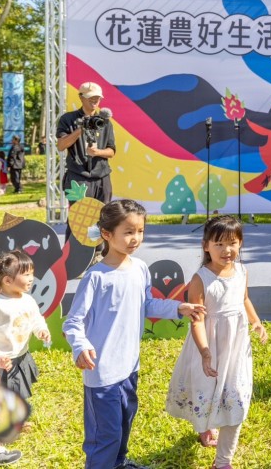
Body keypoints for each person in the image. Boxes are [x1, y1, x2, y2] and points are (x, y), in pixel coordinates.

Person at [63, 199, 205, 469]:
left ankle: (118, 463)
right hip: (102, 372)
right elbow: (73, 321)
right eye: (128, 232)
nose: (135, 238)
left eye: (140, 231)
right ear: (107, 234)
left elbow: (147, 304)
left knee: (125, 421)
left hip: (129, 367)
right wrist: (80, 346)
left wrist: (178, 307)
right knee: (105, 434)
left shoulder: (140, 268)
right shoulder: (96, 277)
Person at [166, 215, 267, 469]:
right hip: (209, 345)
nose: (226, 250)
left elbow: (244, 299)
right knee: (207, 390)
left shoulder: (242, 271)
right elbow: (197, 320)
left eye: (232, 243)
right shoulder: (200, 279)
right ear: (206, 246)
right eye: (219, 244)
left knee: (237, 398)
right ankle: (205, 427)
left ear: (240, 243)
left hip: (236, 348)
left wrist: (256, 322)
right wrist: (204, 352)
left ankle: (222, 461)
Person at [0, 250, 52, 466]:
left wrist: (41, 330)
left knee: (16, 395)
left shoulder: (28, 299)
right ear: (7, 280)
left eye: (32, 273)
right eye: (26, 274)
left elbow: (36, 319)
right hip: (1, 363)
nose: (31, 278)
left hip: (19, 357)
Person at [56, 82, 116, 203]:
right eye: (90, 97)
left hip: (102, 177)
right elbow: (61, 146)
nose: (94, 100)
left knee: (104, 213)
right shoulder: (68, 119)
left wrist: (97, 152)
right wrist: (81, 129)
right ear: (81, 97)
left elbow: (111, 151)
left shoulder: (105, 122)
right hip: (78, 176)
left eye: (97, 98)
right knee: (80, 214)